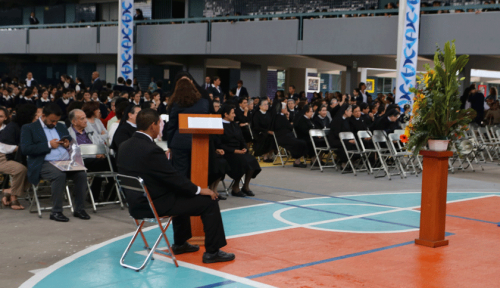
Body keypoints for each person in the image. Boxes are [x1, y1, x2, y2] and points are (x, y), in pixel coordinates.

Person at [118, 108, 235, 263]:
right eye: (159, 124)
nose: (160, 128)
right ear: (153, 125)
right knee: (209, 202)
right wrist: (200, 190)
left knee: (183, 193)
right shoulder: (152, 150)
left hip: (135, 204)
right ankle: (213, 252)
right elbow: (173, 177)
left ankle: (180, 243)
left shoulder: (124, 146)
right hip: (154, 205)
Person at [20, 104, 90, 222]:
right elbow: (25, 149)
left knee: (82, 174)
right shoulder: (29, 128)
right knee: (59, 175)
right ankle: (56, 211)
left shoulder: (60, 126)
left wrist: (67, 143)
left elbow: (69, 140)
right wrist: (48, 145)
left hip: (64, 161)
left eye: (57, 121)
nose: (54, 124)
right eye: (52, 121)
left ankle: (79, 209)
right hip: (44, 162)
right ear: (43, 116)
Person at [68, 109, 115, 202]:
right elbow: (72, 153)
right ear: (74, 122)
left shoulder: (90, 130)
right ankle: (95, 196)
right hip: (81, 160)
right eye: (82, 119)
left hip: (97, 160)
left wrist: (101, 152)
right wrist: (94, 155)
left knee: (114, 162)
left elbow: (101, 143)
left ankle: (108, 194)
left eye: (85, 117)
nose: (86, 120)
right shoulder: (69, 134)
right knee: (101, 164)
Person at [166, 78, 210, 178]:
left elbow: (172, 125)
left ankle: (182, 192)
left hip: (180, 141)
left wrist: (170, 145)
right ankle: (197, 192)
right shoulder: (204, 103)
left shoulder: (177, 104)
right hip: (200, 142)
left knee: (180, 172)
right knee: (198, 173)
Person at [217, 105, 261, 197]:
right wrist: (235, 151)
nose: (234, 115)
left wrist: (244, 148)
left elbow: (241, 139)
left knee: (252, 160)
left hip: (239, 151)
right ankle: (235, 187)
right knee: (241, 162)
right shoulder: (219, 125)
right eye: (232, 113)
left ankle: (246, 186)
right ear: (225, 114)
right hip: (227, 153)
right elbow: (219, 144)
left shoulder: (235, 125)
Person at [0, 104, 36, 210]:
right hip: (3, 157)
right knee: (20, 169)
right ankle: (13, 197)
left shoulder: (24, 126)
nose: (36, 117)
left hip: (15, 156)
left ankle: (9, 191)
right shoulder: (12, 127)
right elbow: (3, 147)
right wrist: (20, 148)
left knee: (33, 169)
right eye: (34, 115)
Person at [328, 104, 355, 169]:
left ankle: (351, 162)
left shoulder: (347, 120)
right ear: (345, 111)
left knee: (354, 144)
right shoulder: (337, 120)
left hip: (343, 140)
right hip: (336, 140)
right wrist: (348, 140)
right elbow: (337, 133)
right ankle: (344, 164)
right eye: (351, 111)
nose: (351, 112)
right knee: (347, 144)